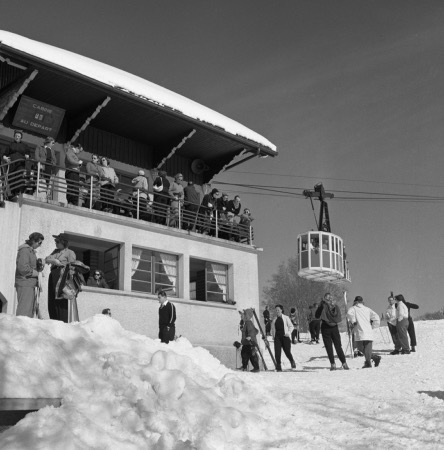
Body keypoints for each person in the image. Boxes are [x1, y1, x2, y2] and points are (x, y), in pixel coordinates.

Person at [45, 233, 76, 322]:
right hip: (53, 274)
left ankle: (62, 321)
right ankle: (53, 319)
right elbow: (46, 259)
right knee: (52, 298)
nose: (56, 243)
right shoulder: (55, 251)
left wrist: (69, 281)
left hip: (62, 275)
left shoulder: (70, 252)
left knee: (61, 298)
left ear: (63, 242)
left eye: (58, 241)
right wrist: (54, 260)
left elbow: (72, 267)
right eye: (56, 241)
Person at [315, 293, 349, 370]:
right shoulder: (335, 306)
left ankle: (333, 364)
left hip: (325, 326)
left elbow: (317, 316)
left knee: (329, 346)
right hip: (334, 327)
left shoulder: (323, 306)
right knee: (338, 346)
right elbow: (338, 317)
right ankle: (344, 363)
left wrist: (320, 306)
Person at [346, 296, 381, 368]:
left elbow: (349, 314)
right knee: (367, 348)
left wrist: (353, 321)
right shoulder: (367, 309)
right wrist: (373, 326)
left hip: (359, 330)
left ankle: (368, 362)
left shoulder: (353, 308)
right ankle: (373, 358)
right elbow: (377, 318)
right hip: (368, 331)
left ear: (355, 301)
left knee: (359, 347)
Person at [15, 232, 44, 318]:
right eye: (40, 242)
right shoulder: (24, 250)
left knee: (29, 313)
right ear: (33, 241)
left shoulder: (31, 251)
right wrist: (36, 273)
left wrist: (39, 268)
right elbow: (22, 268)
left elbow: (29, 266)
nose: (40, 245)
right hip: (25, 283)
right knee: (24, 313)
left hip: (29, 284)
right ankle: (20, 330)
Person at [3, 130, 34, 196]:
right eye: (16, 136)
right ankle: (12, 192)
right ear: (14, 136)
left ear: (21, 137)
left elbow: (28, 155)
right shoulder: (10, 144)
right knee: (11, 177)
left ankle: (18, 191)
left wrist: (27, 156)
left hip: (20, 164)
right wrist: (5, 158)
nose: (17, 137)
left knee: (19, 176)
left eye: (18, 136)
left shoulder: (25, 145)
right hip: (11, 164)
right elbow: (4, 154)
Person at [271, 305, 296, 371]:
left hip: (285, 337)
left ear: (281, 310)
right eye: (276, 310)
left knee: (287, 352)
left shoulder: (286, 318)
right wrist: (273, 336)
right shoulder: (274, 319)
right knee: (277, 352)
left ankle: (292, 361)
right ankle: (278, 365)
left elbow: (291, 326)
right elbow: (272, 329)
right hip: (277, 337)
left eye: (278, 310)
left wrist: (288, 333)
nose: (277, 311)